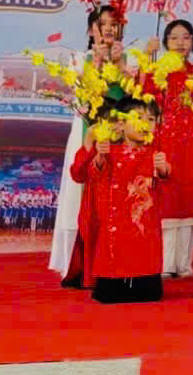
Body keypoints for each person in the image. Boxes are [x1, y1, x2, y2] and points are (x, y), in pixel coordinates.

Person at [50, 6, 126, 284]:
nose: (108, 29)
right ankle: (81, 265)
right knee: (83, 194)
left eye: (114, 24)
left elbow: (134, 98)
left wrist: (119, 67)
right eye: (102, 24)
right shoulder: (79, 60)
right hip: (89, 130)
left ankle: (117, 263)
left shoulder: (130, 58)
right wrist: (97, 63)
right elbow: (84, 94)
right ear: (91, 29)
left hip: (120, 134)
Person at [69, 96, 169, 304]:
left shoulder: (155, 153)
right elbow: (86, 174)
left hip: (145, 232)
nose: (145, 124)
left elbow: (167, 177)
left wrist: (162, 169)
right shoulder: (110, 151)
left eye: (151, 119)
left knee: (149, 293)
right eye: (138, 117)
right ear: (121, 124)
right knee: (109, 294)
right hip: (114, 232)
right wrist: (99, 156)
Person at [144, 18, 193, 279]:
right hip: (167, 143)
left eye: (186, 37)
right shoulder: (158, 72)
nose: (180, 42)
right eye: (174, 37)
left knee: (191, 201)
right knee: (168, 200)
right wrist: (148, 60)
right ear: (165, 43)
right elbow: (146, 102)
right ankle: (164, 263)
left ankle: (185, 264)